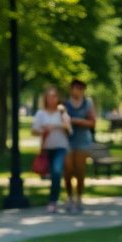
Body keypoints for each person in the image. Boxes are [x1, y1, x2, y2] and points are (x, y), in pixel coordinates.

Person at [31, 85, 72, 213]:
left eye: (54, 96)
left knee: (56, 171)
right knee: (50, 174)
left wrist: (57, 125)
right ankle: (58, 197)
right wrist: (43, 130)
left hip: (61, 146)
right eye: (49, 96)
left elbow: (69, 129)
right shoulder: (41, 114)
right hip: (47, 148)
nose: (52, 99)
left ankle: (53, 201)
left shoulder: (62, 112)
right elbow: (34, 131)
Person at [62, 79, 97, 213]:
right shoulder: (65, 104)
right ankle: (69, 196)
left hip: (83, 141)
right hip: (68, 140)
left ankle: (79, 197)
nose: (77, 91)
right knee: (68, 169)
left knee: (80, 170)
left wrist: (77, 121)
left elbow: (92, 123)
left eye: (80, 88)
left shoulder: (88, 103)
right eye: (74, 88)